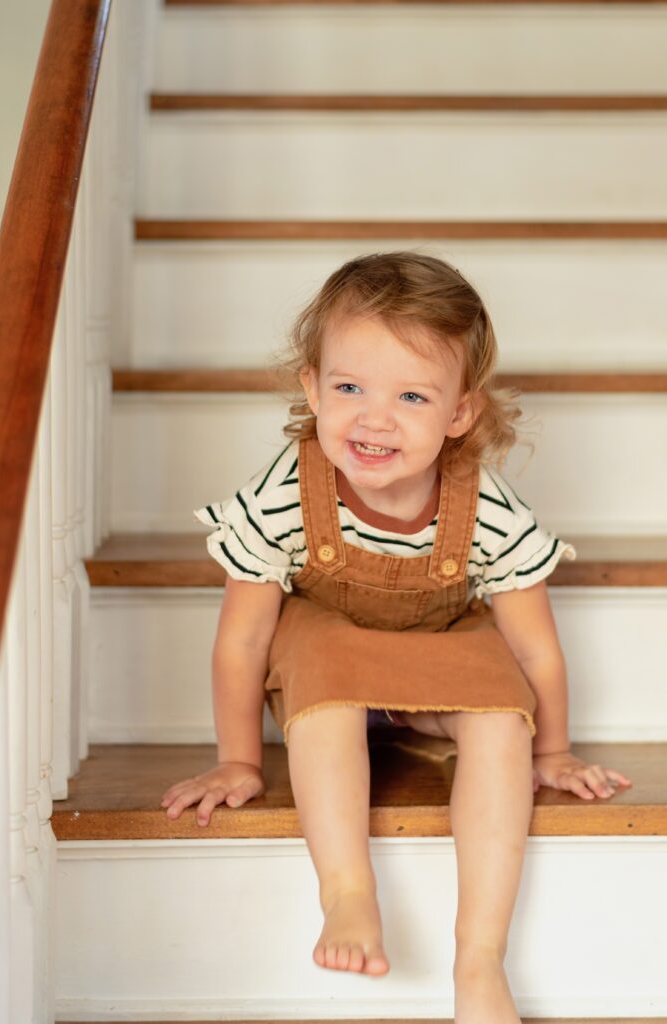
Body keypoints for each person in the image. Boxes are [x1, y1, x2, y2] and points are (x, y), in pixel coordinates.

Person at [161, 252, 632, 1023]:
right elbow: (244, 641)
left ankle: (480, 959)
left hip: (440, 639)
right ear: (311, 386)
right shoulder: (286, 492)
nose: (374, 418)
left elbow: (535, 648)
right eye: (349, 387)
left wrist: (553, 751)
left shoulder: (487, 507)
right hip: (333, 648)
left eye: (411, 395)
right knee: (326, 676)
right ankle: (348, 893)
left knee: (498, 717)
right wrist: (239, 759)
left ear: (458, 414)